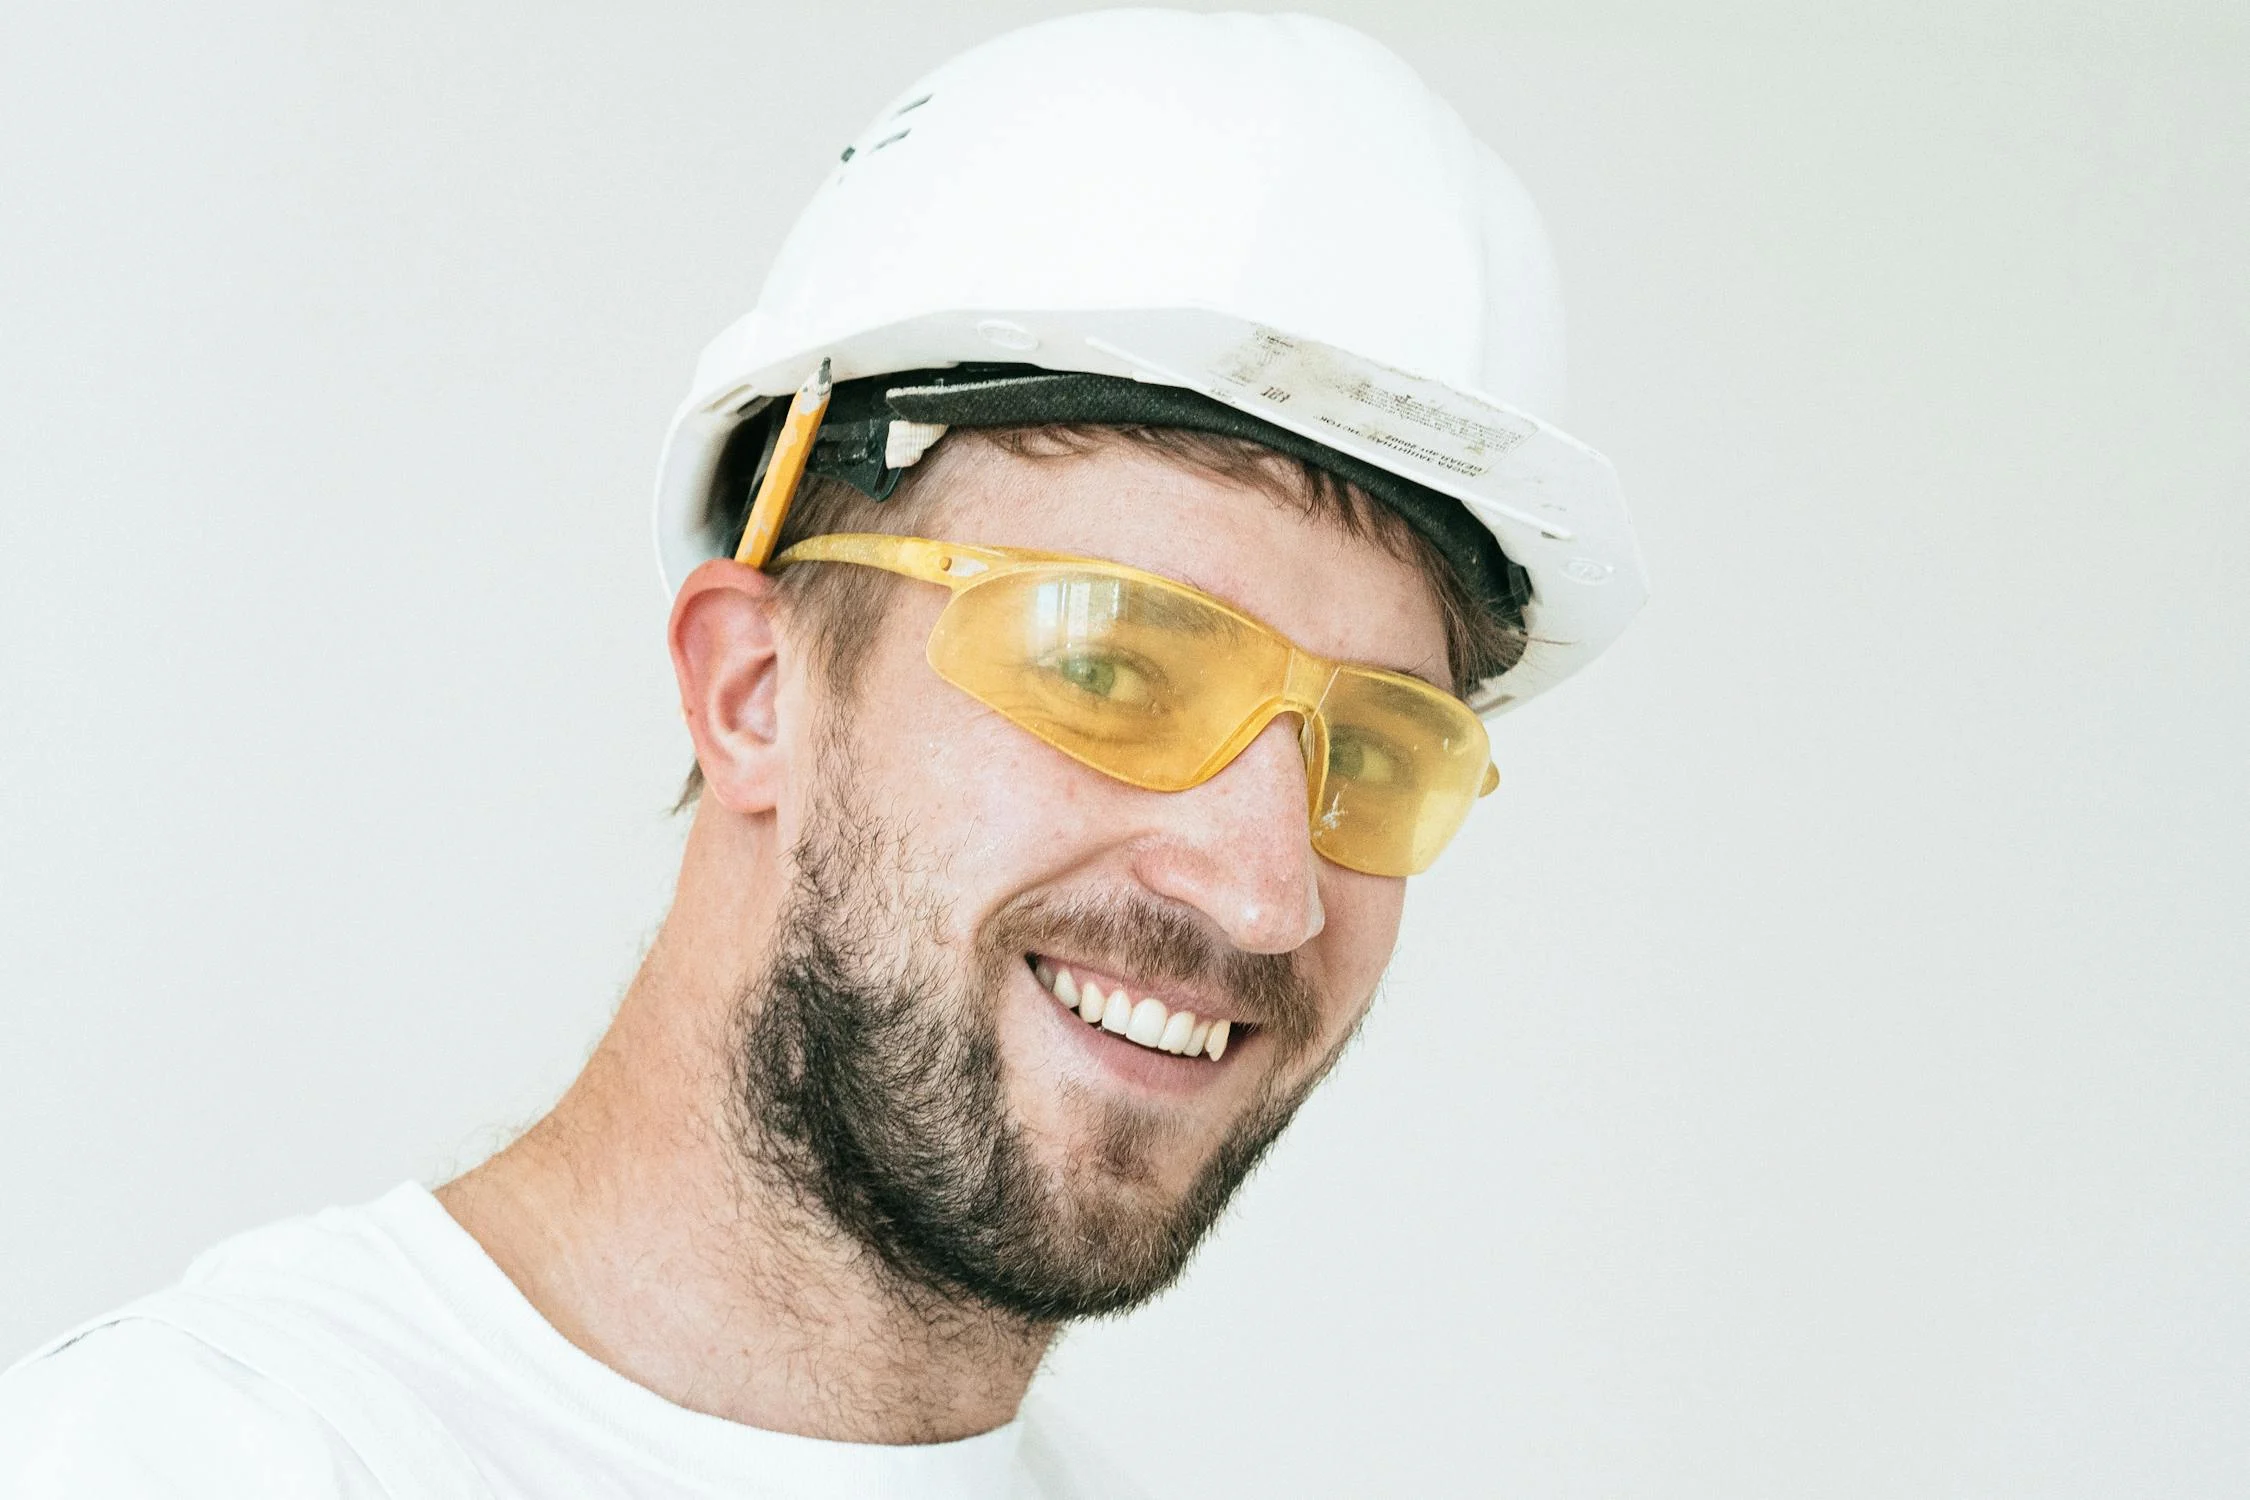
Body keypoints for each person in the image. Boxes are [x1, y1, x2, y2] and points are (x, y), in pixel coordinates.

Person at [0, 10, 1644, 1497]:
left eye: (1380, 743)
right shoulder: (208, 1461)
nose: (1268, 885)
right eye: (1110, 664)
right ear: (751, 691)